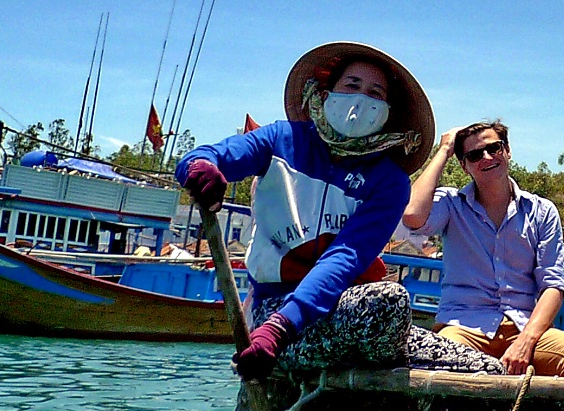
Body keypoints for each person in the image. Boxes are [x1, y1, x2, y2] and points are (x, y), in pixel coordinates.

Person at [177, 41, 440, 380]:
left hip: (347, 309)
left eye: (376, 93)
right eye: (352, 85)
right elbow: (208, 156)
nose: (361, 99)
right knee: (387, 304)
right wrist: (201, 168)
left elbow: (345, 256)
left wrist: (282, 328)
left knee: (479, 364)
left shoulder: (390, 181)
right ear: (328, 92)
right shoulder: (280, 140)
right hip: (275, 308)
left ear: (388, 112)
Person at [403, 121, 564, 377]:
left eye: (493, 148)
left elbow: (553, 285)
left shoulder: (542, 211)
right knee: (439, 360)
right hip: (463, 327)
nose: (486, 157)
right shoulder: (451, 205)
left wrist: (526, 341)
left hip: (524, 327)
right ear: (464, 166)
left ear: (507, 150)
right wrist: (443, 151)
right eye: (474, 155)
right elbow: (412, 215)